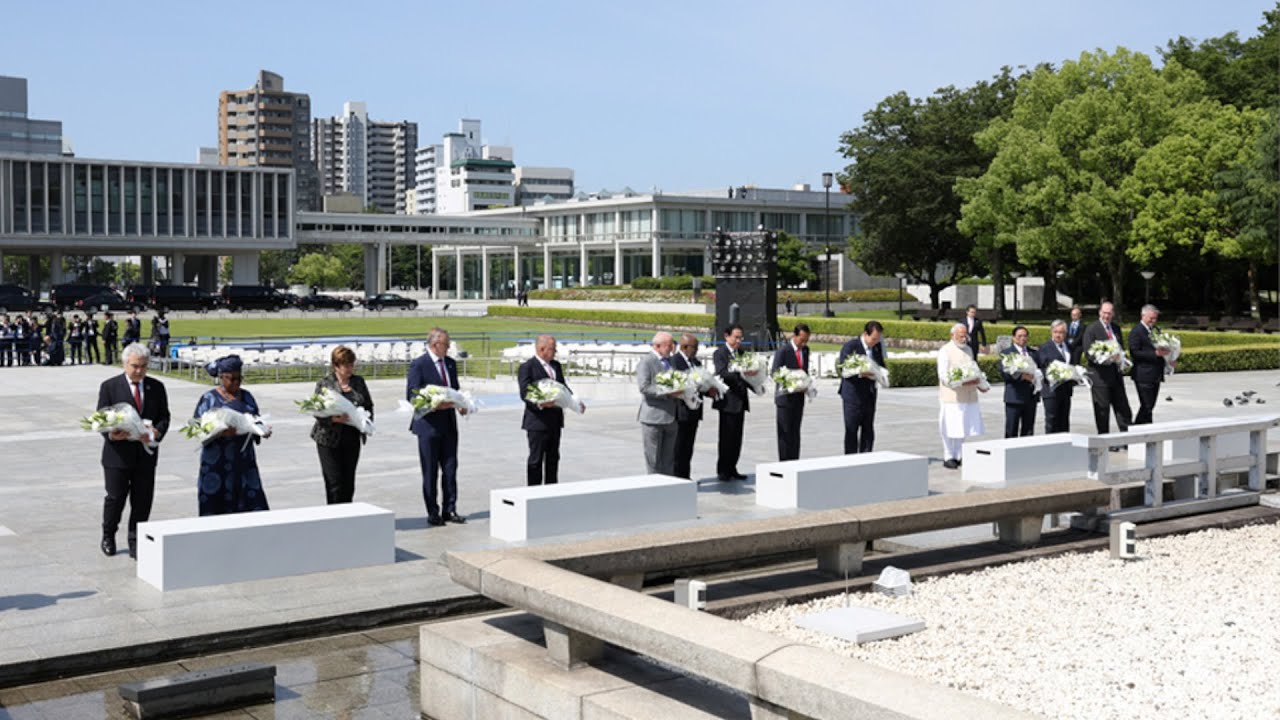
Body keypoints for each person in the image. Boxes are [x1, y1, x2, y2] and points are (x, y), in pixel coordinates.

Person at [97, 343, 171, 558]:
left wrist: (156, 432)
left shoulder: (156, 387)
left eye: (143, 366)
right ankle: (108, 534)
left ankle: (136, 541)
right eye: (135, 366)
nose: (139, 371)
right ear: (125, 364)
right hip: (117, 455)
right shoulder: (110, 387)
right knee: (115, 498)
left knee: (142, 500)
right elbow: (101, 418)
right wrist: (111, 433)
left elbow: (164, 417)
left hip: (145, 455)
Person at [195, 355, 271, 516]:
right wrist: (219, 432)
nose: (236, 382)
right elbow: (197, 429)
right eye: (232, 378)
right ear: (221, 377)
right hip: (216, 464)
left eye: (239, 378)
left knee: (251, 508)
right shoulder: (209, 399)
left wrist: (261, 430)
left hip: (243, 463)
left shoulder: (247, 397)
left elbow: (256, 419)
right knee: (215, 509)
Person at [407, 327, 468, 525]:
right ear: (435, 345)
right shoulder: (419, 365)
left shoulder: (449, 364)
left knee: (450, 469)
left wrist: (461, 405)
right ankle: (433, 511)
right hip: (428, 426)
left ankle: (450, 509)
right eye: (446, 345)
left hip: (449, 424)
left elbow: (455, 390)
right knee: (430, 471)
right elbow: (412, 395)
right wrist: (433, 405)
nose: (449, 348)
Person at [310, 345, 374, 504]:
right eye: (346, 365)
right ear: (335, 366)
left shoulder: (358, 382)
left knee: (348, 481)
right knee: (334, 481)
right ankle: (334, 515)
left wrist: (365, 420)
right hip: (328, 438)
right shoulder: (325, 383)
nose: (350, 368)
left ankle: (347, 514)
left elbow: (368, 405)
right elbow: (315, 410)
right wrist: (332, 419)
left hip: (351, 437)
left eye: (352, 364)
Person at [518, 334, 581, 486]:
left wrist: (575, 401)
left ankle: (551, 493)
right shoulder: (527, 367)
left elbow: (563, 388)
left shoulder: (556, 366)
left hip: (555, 421)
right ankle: (533, 494)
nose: (555, 352)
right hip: (537, 422)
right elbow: (525, 392)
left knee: (553, 459)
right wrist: (540, 403)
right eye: (553, 349)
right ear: (542, 349)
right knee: (536, 461)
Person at [937, 323, 987, 468]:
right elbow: (943, 374)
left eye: (965, 335)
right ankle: (948, 455)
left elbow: (973, 368)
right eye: (961, 335)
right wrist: (959, 382)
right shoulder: (945, 351)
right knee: (949, 425)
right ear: (952, 335)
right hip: (952, 396)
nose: (964, 338)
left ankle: (958, 453)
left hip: (968, 395)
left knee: (963, 425)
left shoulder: (969, 350)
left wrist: (980, 383)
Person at [1080, 301, 1132, 435]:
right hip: (1100, 377)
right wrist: (1106, 358)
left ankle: (1127, 438)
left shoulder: (1115, 328)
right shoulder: (1091, 329)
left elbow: (1121, 348)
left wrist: (1121, 359)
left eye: (1109, 313)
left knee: (1123, 409)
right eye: (1104, 313)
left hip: (1116, 376)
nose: (1106, 316)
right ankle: (1104, 440)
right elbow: (1088, 353)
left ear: (1113, 314)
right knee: (1102, 411)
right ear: (1099, 312)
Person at [837, 321, 886, 453]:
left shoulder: (877, 347)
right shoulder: (851, 346)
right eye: (873, 338)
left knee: (868, 429)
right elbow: (843, 368)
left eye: (878, 339)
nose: (875, 342)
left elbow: (881, 366)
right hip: (853, 396)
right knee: (851, 430)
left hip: (870, 394)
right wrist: (859, 373)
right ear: (866, 334)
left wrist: (880, 374)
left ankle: (866, 457)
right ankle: (851, 460)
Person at [637, 331, 681, 475]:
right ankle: (654, 489)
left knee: (669, 459)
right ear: (657, 346)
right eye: (669, 345)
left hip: (671, 417)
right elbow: (644, 387)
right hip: (653, 418)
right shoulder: (646, 362)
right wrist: (667, 392)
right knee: (654, 460)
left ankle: (668, 488)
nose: (672, 348)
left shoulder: (671, 361)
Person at [670, 333, 714, 479]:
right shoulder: (674, 361)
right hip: (681, 411)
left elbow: (703, 382)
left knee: (689, 446)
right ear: (684, 347)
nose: (696, 350)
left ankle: (685, 475)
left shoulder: (696, 362)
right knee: (678, 446)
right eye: (695, 347)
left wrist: (709, 390)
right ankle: (677, 476)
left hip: (694, 410)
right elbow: (676, 383)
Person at [712, 324, 750, 482]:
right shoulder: (720, 353)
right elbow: (722, 373)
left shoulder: (742, 353)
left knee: (737, 437)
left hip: (740, 400)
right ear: (726, 336)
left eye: (741, 337)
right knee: (726, 437)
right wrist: (740, 374)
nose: (739, 340)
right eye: (736, 337)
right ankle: (723, 470)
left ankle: (733, 467)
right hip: (728, 401)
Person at [771, 323, 811, 461]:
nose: (804, 343)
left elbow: (805, 371)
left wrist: (805, 384)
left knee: (795, 432)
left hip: (799, 398)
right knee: (785, 432)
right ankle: (784, 462)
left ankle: (795, 460)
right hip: (785, 399)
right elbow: (775, 373)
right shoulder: (783, 351)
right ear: (795, 336)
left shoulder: (805, 351)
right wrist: (792, 383)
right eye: (802, 339)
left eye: (806, 340)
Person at [1129, 304, 1173, 425]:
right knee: (1146, 405)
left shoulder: (1156, 330)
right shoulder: (1136, 331)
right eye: (1151, 318)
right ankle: (1139, 430)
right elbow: (1135, 352)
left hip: (1155, 374)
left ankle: (1143, 429)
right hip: (1143, 374)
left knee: (1150, 406)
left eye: (1155, 318)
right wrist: (1154, 353)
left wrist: (1169, 357)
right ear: (1143, 316)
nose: (1153, 321)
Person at [999, 325, 1039, 438]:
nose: (1023, 338)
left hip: (1030, 397)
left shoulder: (1033, 353)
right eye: (1019, 336)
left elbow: (1040, 369)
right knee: (1011, 429)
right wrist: (1022, 376)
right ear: (1013, 338)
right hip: (1014, 397)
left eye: (1025, 336)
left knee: (1028, 430)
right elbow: (1004, 373)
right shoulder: (1007, 353)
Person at [1038, 320, 1077, 434]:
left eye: (1061, 332)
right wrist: (1055, 374)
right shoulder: (1045, 347)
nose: (1058, 335)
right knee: (1052, 421)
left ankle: (1064, 447)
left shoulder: (1069, 347)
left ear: (1065, 334)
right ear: (1051, 332)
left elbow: (1073, 364)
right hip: (1051, 391)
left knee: (1064, 421)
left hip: (1066, 390)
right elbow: (1042, 367)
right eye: (1056, 332)